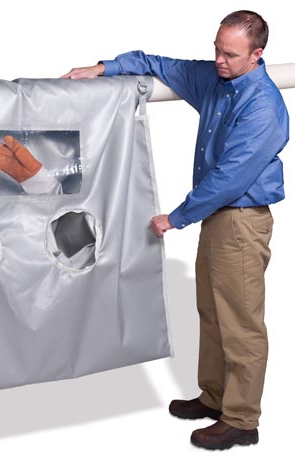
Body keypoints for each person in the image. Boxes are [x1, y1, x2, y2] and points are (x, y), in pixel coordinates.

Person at [61, 10, 289, 450]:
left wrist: (177, 216)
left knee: (241, 323)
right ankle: (215, 397)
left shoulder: (262, 106)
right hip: (219, 217)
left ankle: (241, 419)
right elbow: (158, 64)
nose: (219, 60)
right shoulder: (216, 79)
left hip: (241, 221)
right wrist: (102, 68)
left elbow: (230, 177)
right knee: (212, 310)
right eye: (216, 49)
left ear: (257, 55)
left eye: (230, 54)